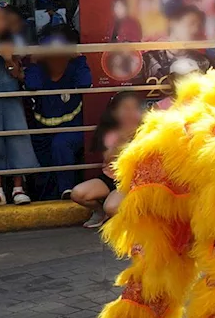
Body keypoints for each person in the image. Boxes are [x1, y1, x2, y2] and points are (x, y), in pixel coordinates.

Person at [0, 2, 39, 208]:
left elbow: (18, 75)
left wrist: (8, 59)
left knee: (16, 138)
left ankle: (18, 188)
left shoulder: (13, 43)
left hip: (11, 98)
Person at [26, 25, 92, 200]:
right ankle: (47, 197)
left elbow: (86, 83)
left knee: (61, 144)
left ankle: (67, 191)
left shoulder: (74, 70)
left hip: (72, 129)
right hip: (42, 133)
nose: (56, 57)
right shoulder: (39, 71)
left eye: (60, 52)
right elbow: (32, 85)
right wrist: (33, 62)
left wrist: (79, 58)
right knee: (44, 165)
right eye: (51, 53)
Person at [68, 91, 145, 227]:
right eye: (125, 108)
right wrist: (123, 139)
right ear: (114, 112)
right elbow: (109, 158)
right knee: (77, 193)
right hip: (110, 177)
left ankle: (130, 219)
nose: (130, 113)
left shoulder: (147, 130)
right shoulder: (110, 132)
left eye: (134, 108)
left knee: (111, 207)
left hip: (131, 182)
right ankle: (99, 212)